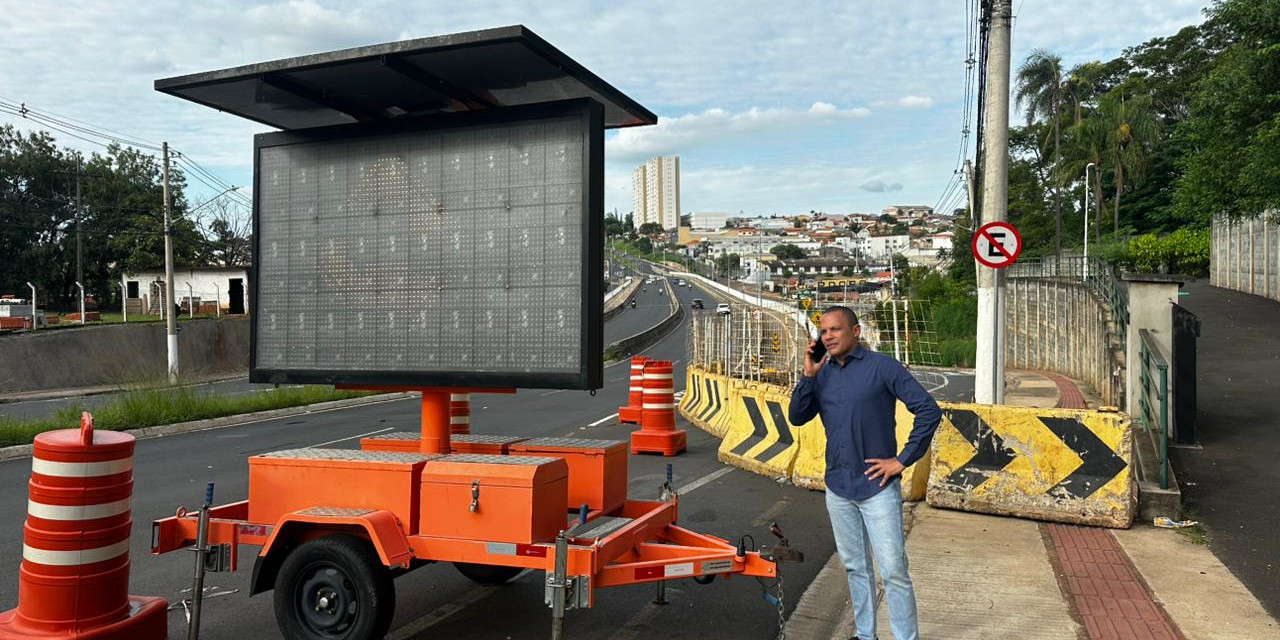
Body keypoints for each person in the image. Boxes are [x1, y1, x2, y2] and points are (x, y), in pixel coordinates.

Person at [788, 306, 940, 640]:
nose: (828, 336)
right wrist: (808, 376)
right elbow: (797, 417)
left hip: (877, 488)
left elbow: (928, 410)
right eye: (823, 331)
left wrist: (902, 460)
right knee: (855, 567)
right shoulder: (821, 373)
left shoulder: (883, 367)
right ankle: (866, 635)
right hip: (838, 487)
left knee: (894, 571)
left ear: (855, 332)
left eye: (835, 329)